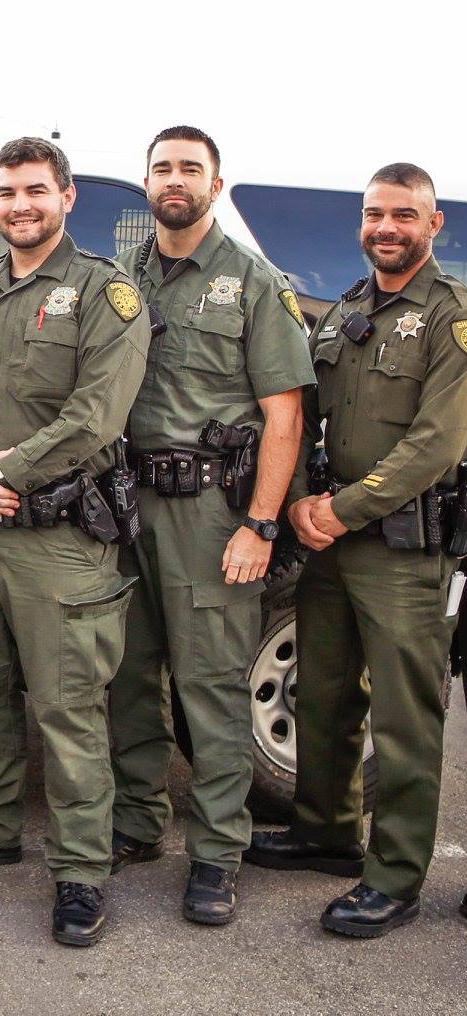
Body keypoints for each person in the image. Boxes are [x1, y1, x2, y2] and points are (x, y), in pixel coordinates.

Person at [0, 137, 151, 946]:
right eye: (7, 192)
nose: (19, 205)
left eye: (35, 191)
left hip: (55, 539)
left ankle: (82, 871)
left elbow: (95, 416)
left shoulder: (102, 295)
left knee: (66, 705)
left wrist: (0, 474)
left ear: (67, 197)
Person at [246, 163, 467, 938]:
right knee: (325, 692)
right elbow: (309, 416)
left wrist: (338, 510)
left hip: (400, 549)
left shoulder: (449, 314)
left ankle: (396, 876)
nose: (385, 227)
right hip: (329, 539)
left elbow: (434, 443)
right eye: (374, 213)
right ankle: (325, 830)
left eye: (402, 215)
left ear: (431, 224)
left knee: (406, 718)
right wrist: (302, 503)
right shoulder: (341, 311)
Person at [106, 126, 313, 924]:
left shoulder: (251, 282)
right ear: (147, 182)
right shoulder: (118, 275)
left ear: (214, 185)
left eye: (190, 168)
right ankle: (136, 821)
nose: (174, 179)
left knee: (210, 688)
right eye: (161, 167)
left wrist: (259, 525)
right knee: (127, 675)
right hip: (126, 507)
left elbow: (284, 415)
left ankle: (217, 853)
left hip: (209, 512)